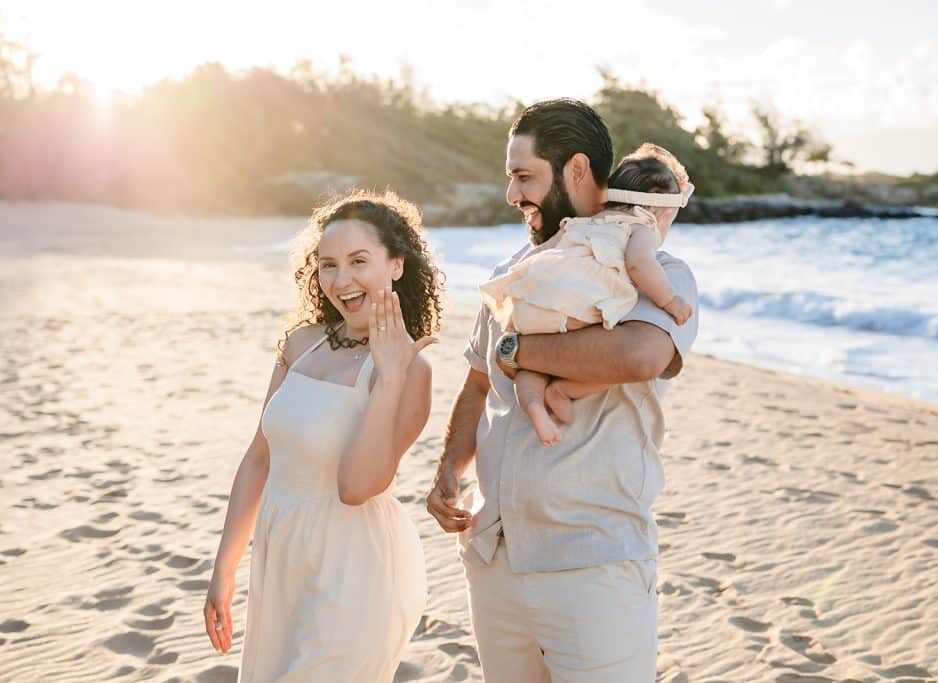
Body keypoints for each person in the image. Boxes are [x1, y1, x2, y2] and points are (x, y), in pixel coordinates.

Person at [426, 98, 699, 682]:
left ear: (576, 170)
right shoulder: (515, 273)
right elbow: (478, 385)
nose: (512, 195)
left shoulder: (656, 271)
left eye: (525, 176)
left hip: (593, 564)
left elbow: (640, 354)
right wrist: (449, 468)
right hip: (493, 553)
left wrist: (518, 351)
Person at [203, 190, 442, 682]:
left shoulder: (412, 370)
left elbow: (356, 488)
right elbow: (258, 459)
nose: (342, 280)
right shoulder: (300, 343)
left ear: (397, 265)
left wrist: (390, 376)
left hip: (355, 568)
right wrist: (224, 571)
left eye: (359, 261)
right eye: (328, 265)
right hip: (281, 558)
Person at [480, 142, 695, 445]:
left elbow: (548, 250)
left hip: (532, 301)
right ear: (659, 209)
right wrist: (669, 300)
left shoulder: (590, 222)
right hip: (574, 307)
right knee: (609, 358)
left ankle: (534, 407)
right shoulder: (641, 227)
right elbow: (639, 264)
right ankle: (563, 390)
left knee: (529, 363)